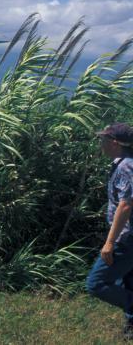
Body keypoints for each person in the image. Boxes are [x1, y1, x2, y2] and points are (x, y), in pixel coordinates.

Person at [86, 123, 133, 338]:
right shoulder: (120, 163)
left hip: (127, 238)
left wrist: (110, 242)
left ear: (114, 143)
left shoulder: (126, 166)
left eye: (103, 139)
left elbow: (126, 205)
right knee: (128, 280)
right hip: (127, 236)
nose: (100, 143)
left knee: (96, 284)